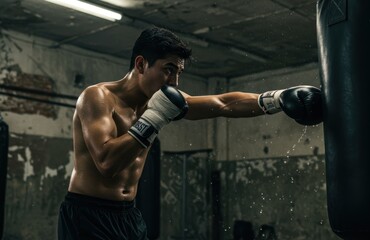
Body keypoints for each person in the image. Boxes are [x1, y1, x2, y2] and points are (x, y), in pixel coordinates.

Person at [57, 26, 322, 240]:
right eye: (168, 70)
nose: (173, 82)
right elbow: (106, 163)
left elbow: (221, 104)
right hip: (87, 214)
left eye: (178, 73)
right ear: (140, 64)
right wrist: (154, 118)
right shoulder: (97, 97)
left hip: (129, 215)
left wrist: (275, 99)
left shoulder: (158, 100)